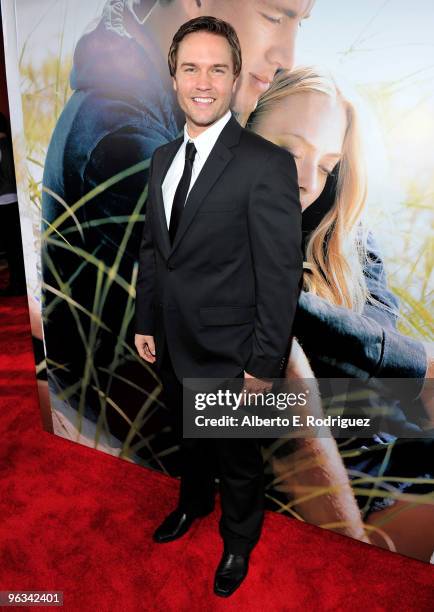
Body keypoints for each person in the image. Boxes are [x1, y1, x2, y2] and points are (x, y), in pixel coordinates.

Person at [41, 0, 313, 444]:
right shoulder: (122, 136)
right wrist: (409, 363)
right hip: (153, 432)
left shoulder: (181, 113)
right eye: (274, 15)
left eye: (299, 23)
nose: (288, 55)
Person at [134, 17, 303, 596]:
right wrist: (144, 320)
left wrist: (263, 364)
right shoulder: (160, 159)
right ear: (174, 76)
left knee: (237, 458)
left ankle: (238, 540)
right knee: (189, 438)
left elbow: (281, 279)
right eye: (190, 68)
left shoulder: (266, 164)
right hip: (172, 345)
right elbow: (154, 249)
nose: (202, 82)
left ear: (233, 80)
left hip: (234, 357)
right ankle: (190, 504)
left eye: (217, 69)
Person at [247, 66, 434, 562]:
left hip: (379, 454)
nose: (308, 182)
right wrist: (419, 365)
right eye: (289, 153)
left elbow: (381, 364)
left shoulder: (348, 241)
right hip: (288, 460)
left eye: (327, 165)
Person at [0, 112, 26, 297]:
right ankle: (17, 283)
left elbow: (10, 174)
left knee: (14, 246)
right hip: (6, 201)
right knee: (12, 246)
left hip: (10, 201)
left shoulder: (6, 146)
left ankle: (18, 284)